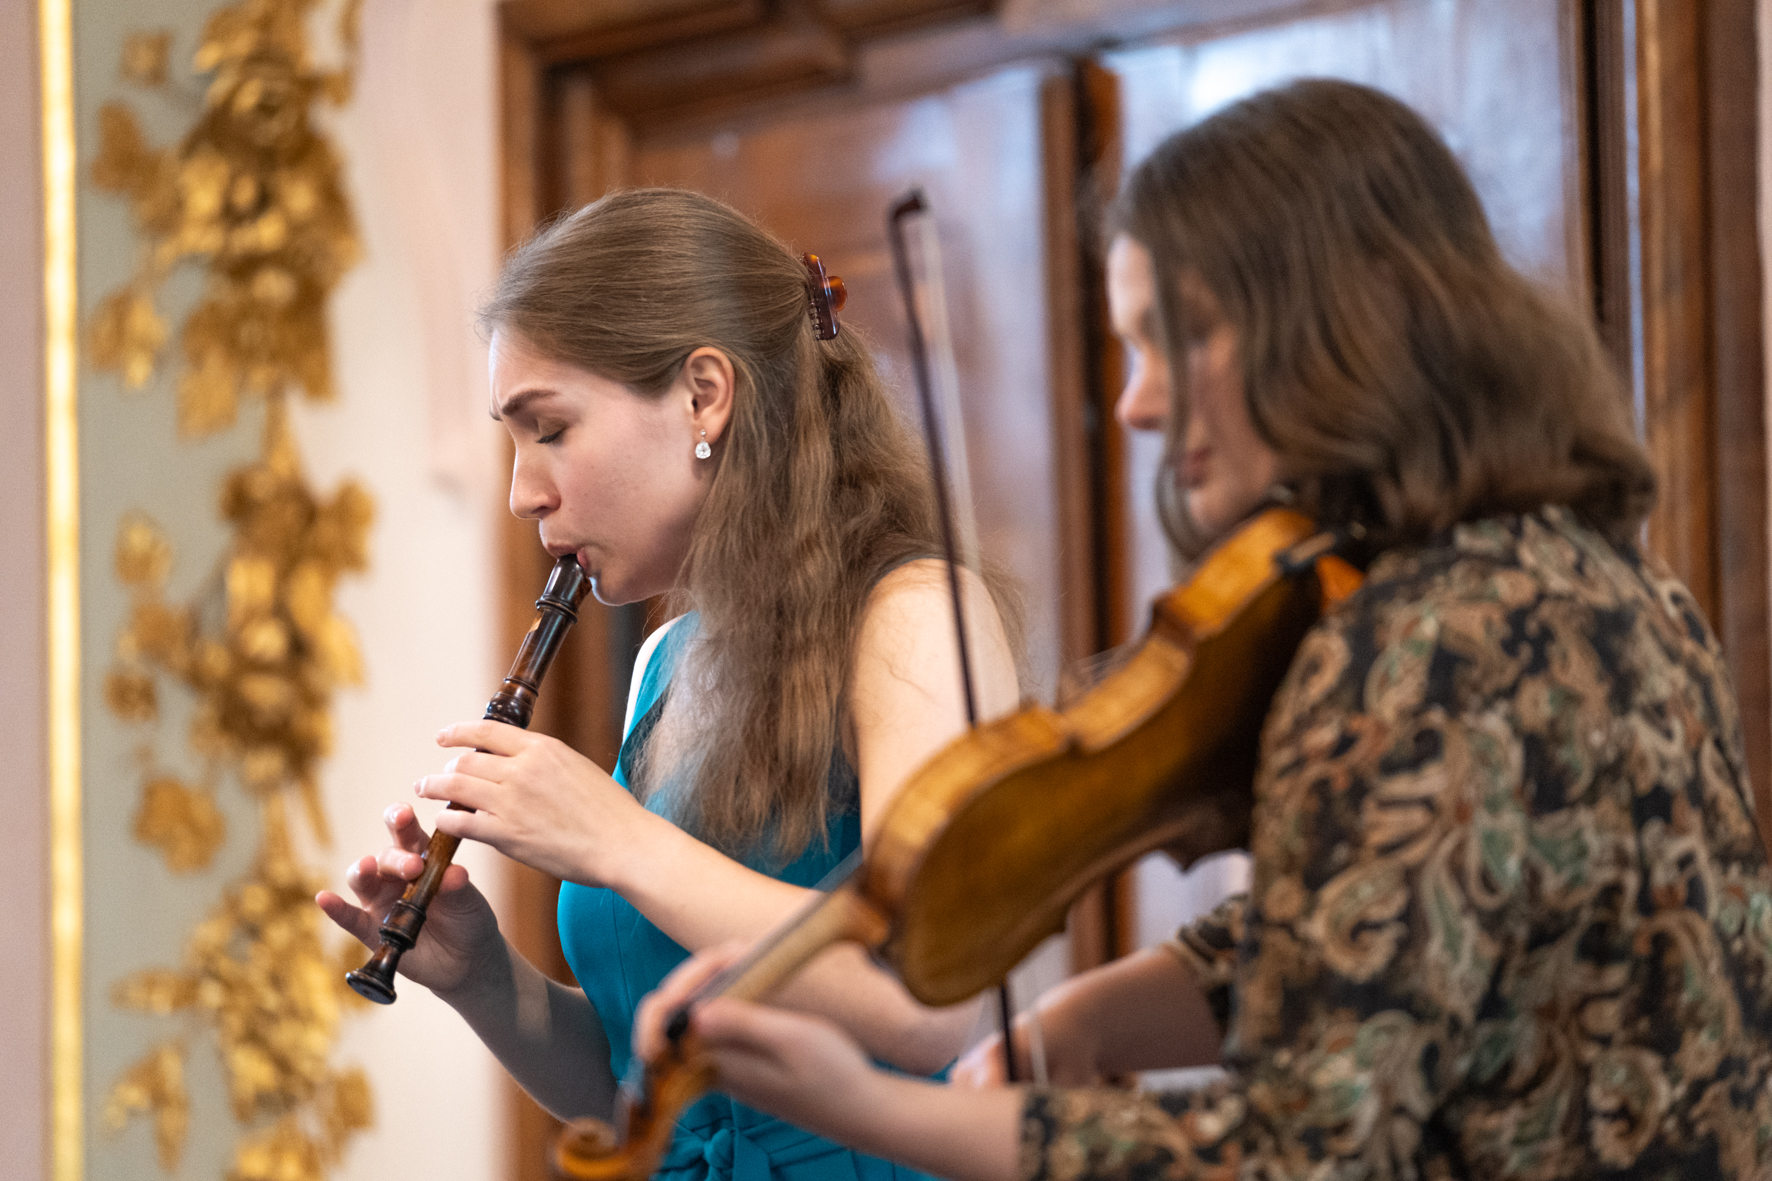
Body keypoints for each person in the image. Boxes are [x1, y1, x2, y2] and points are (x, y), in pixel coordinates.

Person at [630, 78, 1772, 1179]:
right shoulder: (1593, 576)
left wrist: (869, 1104)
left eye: (1170, 338)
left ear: (1330, 321)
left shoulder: (1414, 648)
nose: (1134, 401)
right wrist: (1096, 1011)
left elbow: (1298, 1147)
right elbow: (1384, 928)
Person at [316, 188, 1021, 1181]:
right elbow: (648, 1099)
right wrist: (483, 978)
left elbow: (927, 1001)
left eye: (549, 428)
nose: (525, 490)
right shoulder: (668, 657)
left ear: (702, 395)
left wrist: (617, 837)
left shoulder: (914, 615)